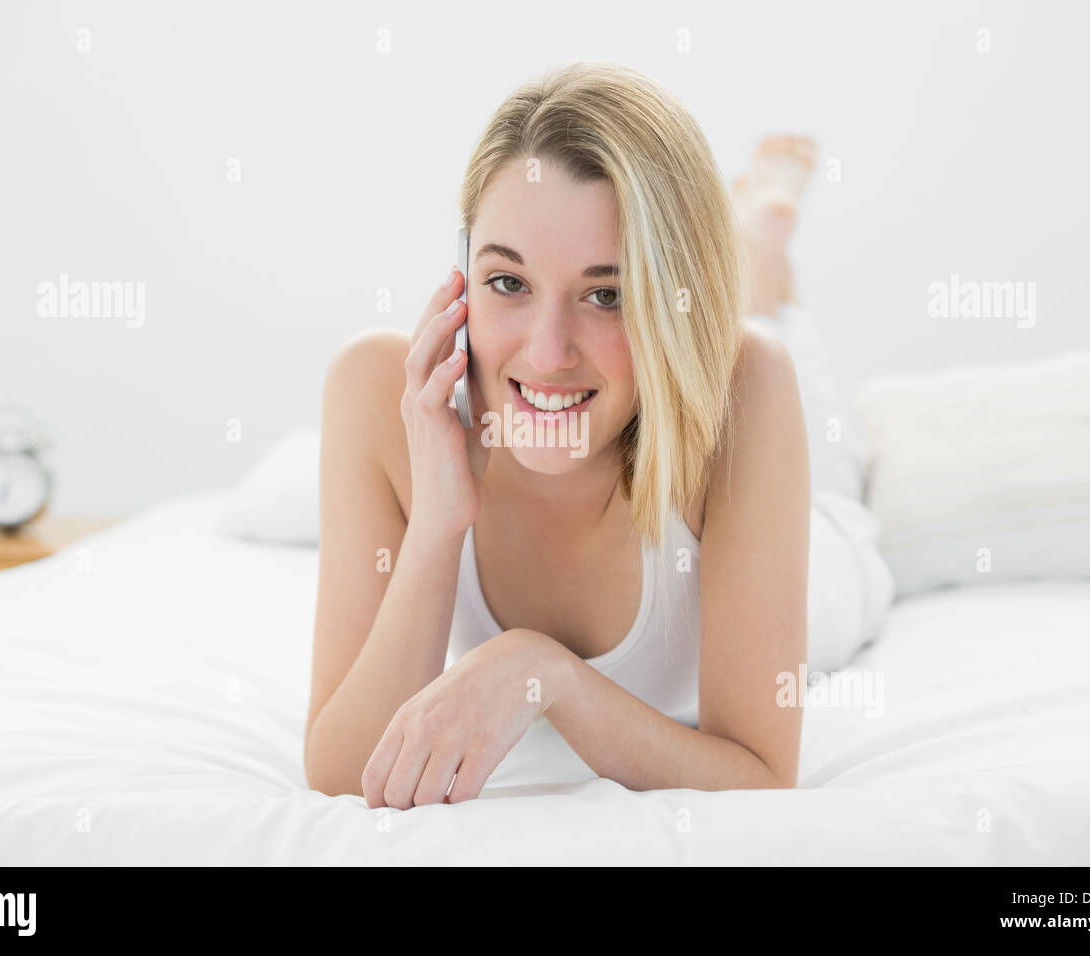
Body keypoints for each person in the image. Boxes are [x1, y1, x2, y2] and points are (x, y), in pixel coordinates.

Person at [304, 61, 893, 807]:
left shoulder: (747, 390)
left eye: (607, 295)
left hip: (816, 554)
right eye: (508, 282)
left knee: (833, 475)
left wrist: (543, 671)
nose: (548, 354)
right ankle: (755, 251)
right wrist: (437, 520)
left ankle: (762, 250)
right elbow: (339, 770)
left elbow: (759, 776)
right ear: (460, 277)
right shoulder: (372, 388)